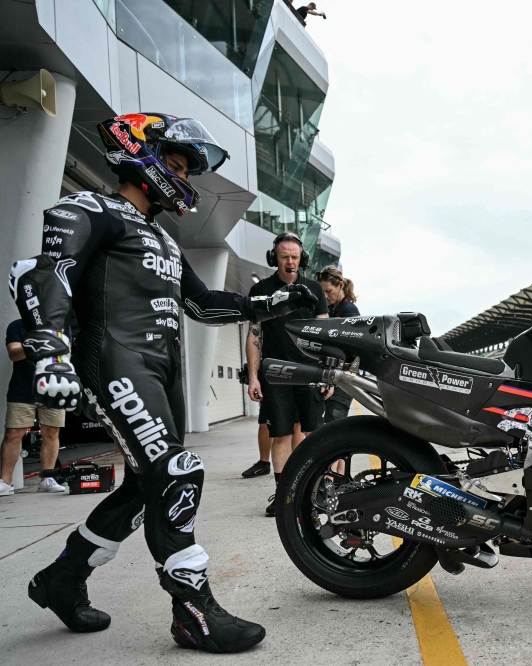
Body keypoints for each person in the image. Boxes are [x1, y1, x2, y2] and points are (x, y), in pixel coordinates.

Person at [12, 113, 318, 651]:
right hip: (112, 360)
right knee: (177, 473)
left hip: (160, 370)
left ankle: (61, 580)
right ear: (141, 154)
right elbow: (45, 272)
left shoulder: (166, 238)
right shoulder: (90, 208)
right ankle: (192, 612)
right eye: (175, 164)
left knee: (141, 487)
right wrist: (49, 351)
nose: (182, 177)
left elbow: (203, 303)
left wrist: (271, 302)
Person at [245, 233, 329, 517]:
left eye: (294, 256)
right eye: (284, 257)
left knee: (313, 434)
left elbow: (326, 335)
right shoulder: (261, 289)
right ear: (274, 258)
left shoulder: (314, 289)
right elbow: (255, 335)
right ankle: (284, 496)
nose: (290, 262)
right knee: (280, 436)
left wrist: (328, 373)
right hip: (275, 373)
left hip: (309, 372)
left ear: (301, 258)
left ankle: (318, 492)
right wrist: (254, 376)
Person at [0, 318, 67, 495]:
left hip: (53, 386)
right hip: (22, 387)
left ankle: (47, 478)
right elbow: (14, 354)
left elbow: (65, 351)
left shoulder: (60, 324)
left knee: (51, 432)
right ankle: (5, 482)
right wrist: (40, 344)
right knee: (13, 433)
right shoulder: (16, 325)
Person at [316, 265, 358, 423]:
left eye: (328, 291)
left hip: (343, 378)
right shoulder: (331, 310)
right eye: (322, 292)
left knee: (334, 427)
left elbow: (347, 351)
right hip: (332, 375)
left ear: (340, 285)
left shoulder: (349, 311)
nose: (325, 296)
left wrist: (332, 380)